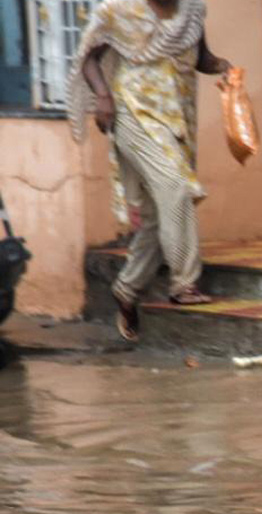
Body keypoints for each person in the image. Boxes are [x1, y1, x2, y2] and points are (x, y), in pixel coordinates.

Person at [68, 0, 231, 342]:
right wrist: (103, 97)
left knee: (159, 213)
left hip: (177, 114)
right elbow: (89, 58)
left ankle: (126, 289)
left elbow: (201, 57)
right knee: (175, 187)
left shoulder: (192, 11)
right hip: (132, 111)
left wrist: (226, 70)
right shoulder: (117, 9)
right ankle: (184, 283)